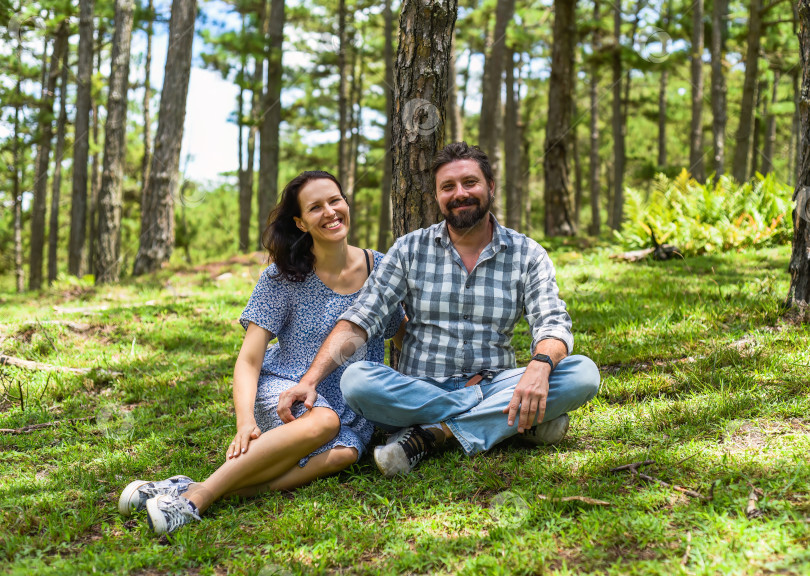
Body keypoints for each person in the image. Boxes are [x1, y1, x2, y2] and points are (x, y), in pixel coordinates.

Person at [277, 142, 600, 477]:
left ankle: (436, 433)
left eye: (470, 183)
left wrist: (540, 365)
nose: (460, 193)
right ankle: (512, 420)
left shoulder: (527, 254)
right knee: (357, 381)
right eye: (448, 187)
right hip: (418, 391)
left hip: (495, 382)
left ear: (490, 186)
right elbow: (360, 320)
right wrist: (310, 380)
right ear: (437, 196)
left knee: (583, 373)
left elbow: (552, 322)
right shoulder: (408, 250)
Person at [118, 171, 404, 532]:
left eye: (335, 200)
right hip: (286, 390)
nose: (330, 212)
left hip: (352, 407)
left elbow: (401, 333)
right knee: (323, 421)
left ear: (346, 203)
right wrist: (244, 422)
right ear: (300, 222)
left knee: (344, 454)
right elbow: (249, 359)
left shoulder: (382, 269)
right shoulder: (283, 277)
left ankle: (183, 489)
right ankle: (195, 502)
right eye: (315, 207)